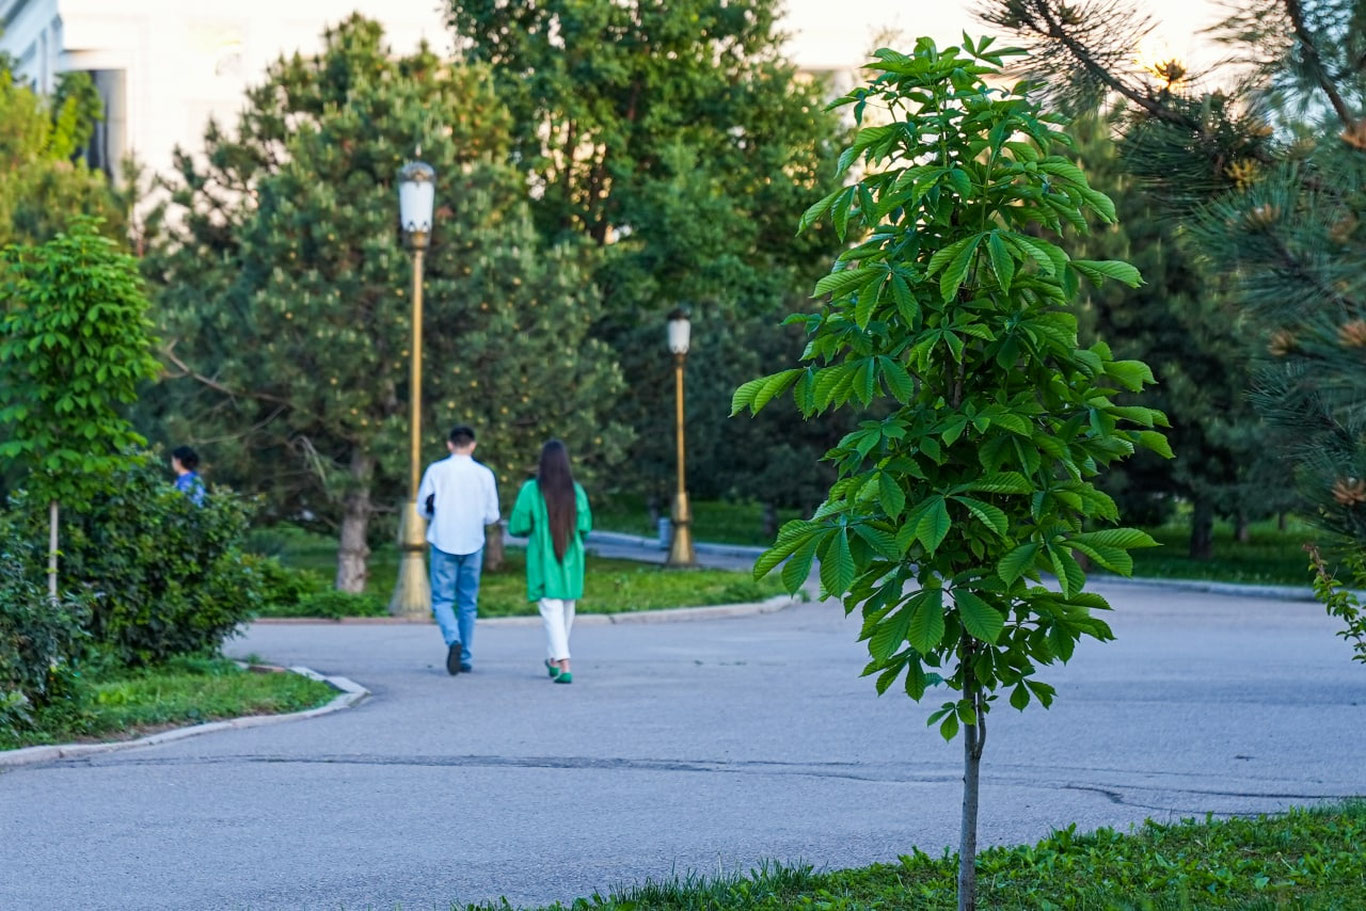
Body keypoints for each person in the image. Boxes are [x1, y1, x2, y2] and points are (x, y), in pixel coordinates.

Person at [417, 425, 500, 676]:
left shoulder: (436, 471)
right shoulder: (484, 474)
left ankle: (453, 639)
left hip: (443, 540)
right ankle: (465, 656)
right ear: (473, 445)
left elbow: (423, 507)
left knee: (442, 599)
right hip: (473, 541)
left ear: (449, 444)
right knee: (468, 602)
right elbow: (492, 515)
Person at [508, 439, 592, 685]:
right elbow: (585, 525)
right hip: (572, 555)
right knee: (566, 608)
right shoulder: (576, 491)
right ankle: (554, 659)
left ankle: (564, 663)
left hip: (543, 557)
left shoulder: (530, 490)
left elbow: (518, 526)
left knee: (551, 608)